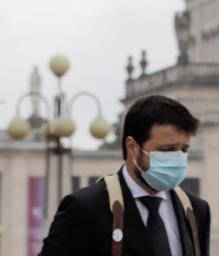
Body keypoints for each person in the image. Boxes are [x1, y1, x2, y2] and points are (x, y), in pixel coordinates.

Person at [40, 94, 210, 256]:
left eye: (184, 150)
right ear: (132, 147)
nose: (178, 158)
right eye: (167, 150)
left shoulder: (195, 210)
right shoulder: (86, 208)